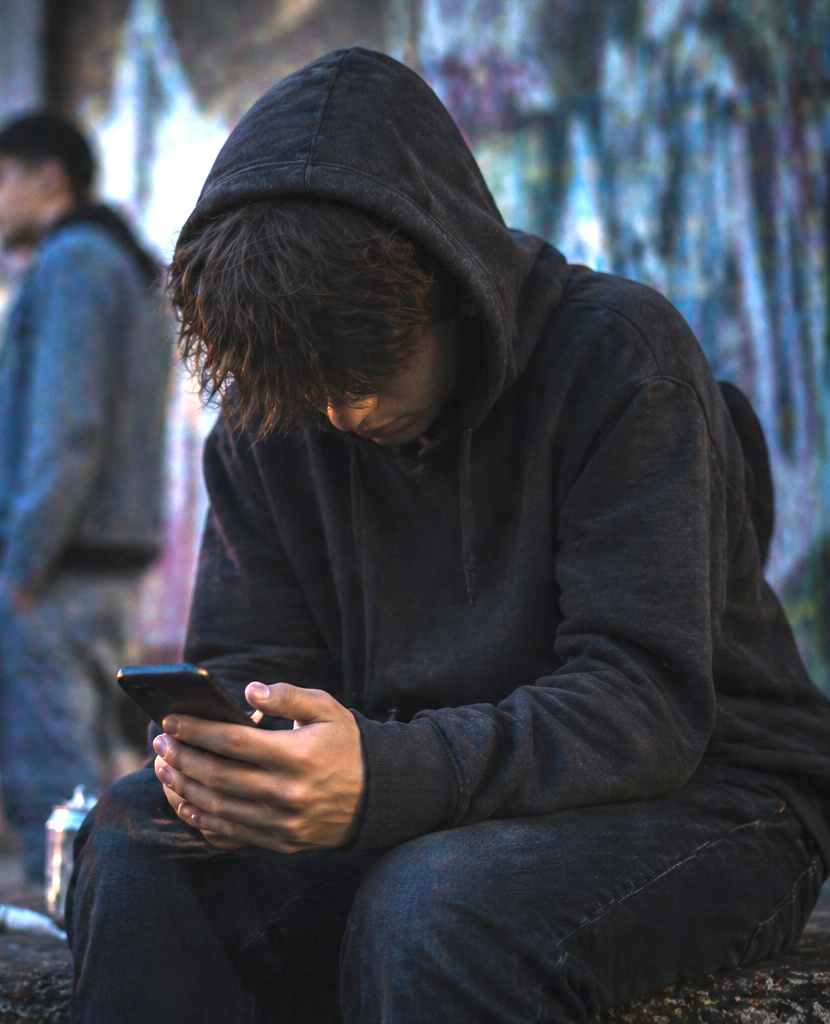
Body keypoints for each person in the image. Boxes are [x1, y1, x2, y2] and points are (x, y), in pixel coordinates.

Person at [67, 48, 830, 1023]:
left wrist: (384, 778)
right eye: (314, 385)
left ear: (453, 286)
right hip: (433, 802)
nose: (343, 409)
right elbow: (256, 669)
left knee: (435, 906)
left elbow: (642, 704)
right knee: (134, 836)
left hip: (715, 794)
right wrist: (238, 768)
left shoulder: (621, 360)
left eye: (372, 367)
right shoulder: (275, 415)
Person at [0, 112, 174, 881]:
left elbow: (68, 430)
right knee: (74, 785)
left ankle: (65, 974)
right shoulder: (108, 262)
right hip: (87, 564)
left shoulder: (75, 264)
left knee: (53, 795)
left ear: (51, 177)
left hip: (59, 571)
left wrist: (23, 565)